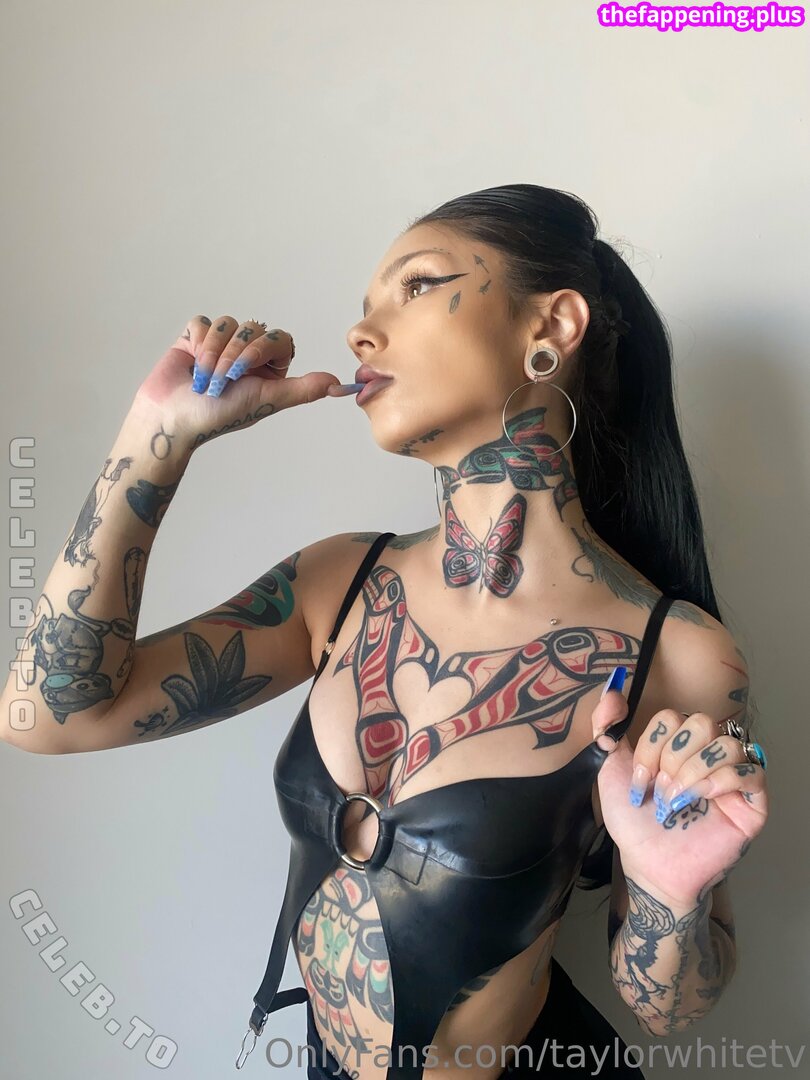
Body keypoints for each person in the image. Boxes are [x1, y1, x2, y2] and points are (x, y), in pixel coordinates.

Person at [1, 184, 769, 1080]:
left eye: (416, 286)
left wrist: (672, 893)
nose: (361, 333)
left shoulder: (672, 653)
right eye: (366, 306)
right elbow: (48, 715)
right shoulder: (338, 584)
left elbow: (667, 1007)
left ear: (551, 326)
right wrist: (155, 438)